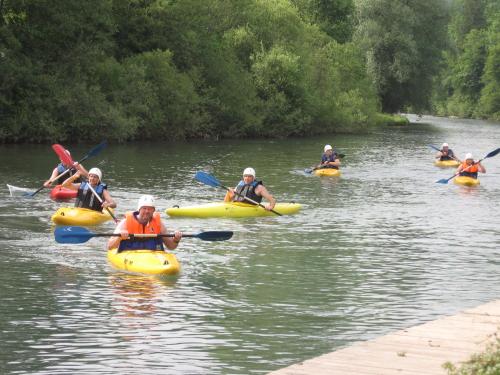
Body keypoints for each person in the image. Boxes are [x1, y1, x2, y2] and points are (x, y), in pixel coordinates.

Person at [107, 195, 182, 251]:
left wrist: (176, 239)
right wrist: (119, 237)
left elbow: (171, 246)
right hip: (130, 256)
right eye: (144, 208)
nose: (147, 211)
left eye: (150, 209)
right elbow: (110, 246)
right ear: (139, 209)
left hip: (152, 257)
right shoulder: (125, 223)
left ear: (153, 210)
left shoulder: (159, 224)